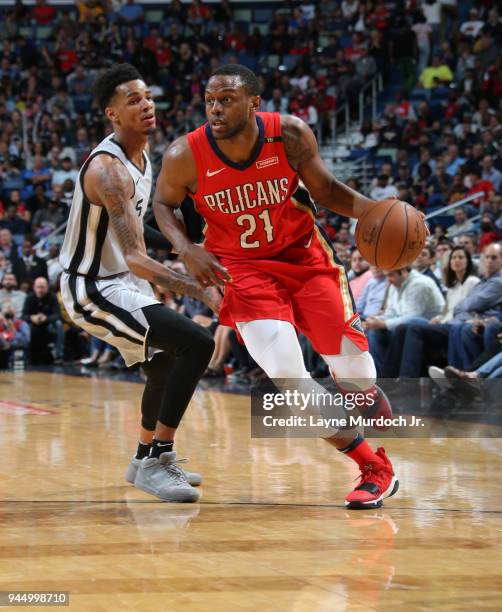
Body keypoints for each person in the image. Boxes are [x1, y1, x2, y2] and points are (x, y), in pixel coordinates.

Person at [152, 64, 407, 510]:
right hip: (242, 270)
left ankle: (362, 389)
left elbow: (325, 189)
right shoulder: (183, 155)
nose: (215, 108)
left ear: (253, 102)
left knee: (357, 374)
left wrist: (375, 212)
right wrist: (185, 247)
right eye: (210, 100)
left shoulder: (288, 134)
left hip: (305, 259)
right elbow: (162, 203)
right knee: (290, 379)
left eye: (226, 99)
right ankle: (374, 466)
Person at [58, 64, 223, 503]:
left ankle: (142, 459)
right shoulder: (108, 170)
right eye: (133, 100)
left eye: (147, 96)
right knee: (197, 343)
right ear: (112, 114)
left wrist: (184, 248)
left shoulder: (143, 156)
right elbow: (134, 253)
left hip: (122, 279)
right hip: (92, 287)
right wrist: (200, 287)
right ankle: (158, 459)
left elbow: (134, 232)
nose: (146, 104)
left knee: (164, 367)